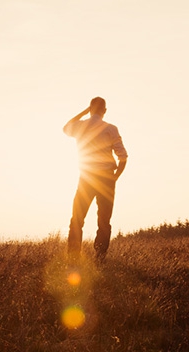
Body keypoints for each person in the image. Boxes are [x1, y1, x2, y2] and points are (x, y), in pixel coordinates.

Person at [63, 97, 128, 260]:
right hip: (106, 178)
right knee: (104, 219)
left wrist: (85, 111)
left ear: (90, 108)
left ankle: (73, 255)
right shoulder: (111, 129)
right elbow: (123, 157)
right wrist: (115, 178)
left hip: (86, 177)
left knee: (77, 217)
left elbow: (65, 128)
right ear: (105, 111)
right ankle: (100, 255)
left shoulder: (79, 126)